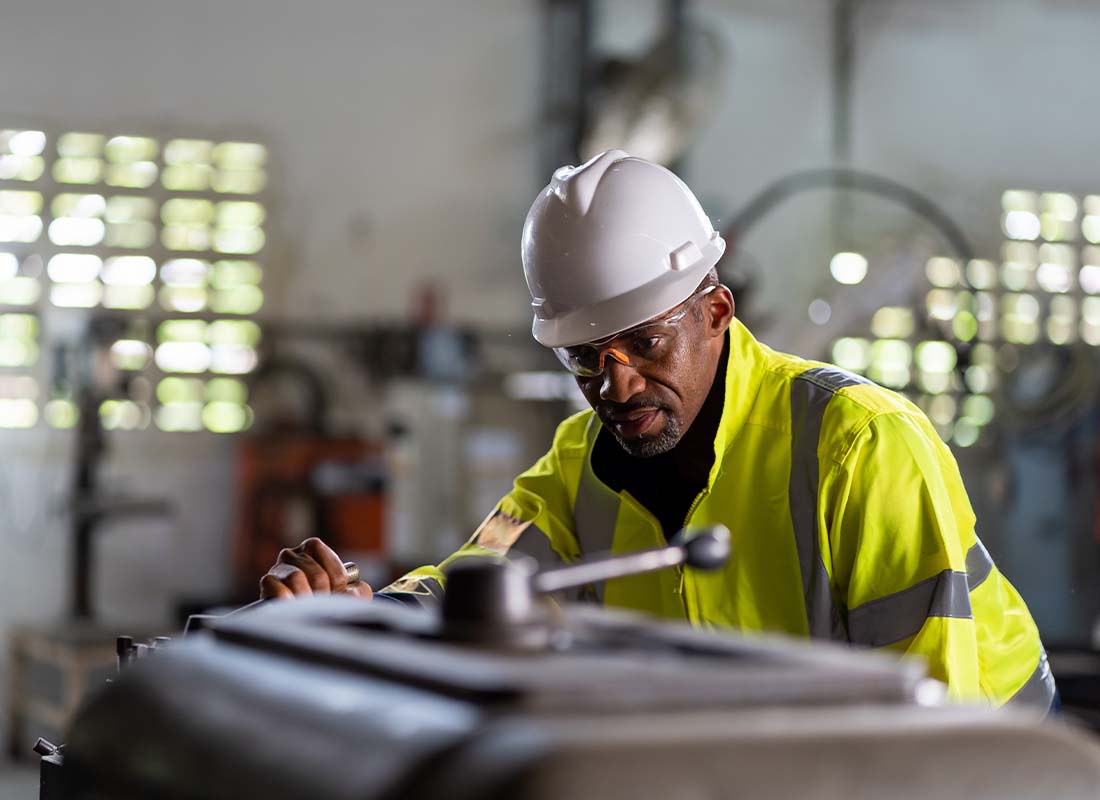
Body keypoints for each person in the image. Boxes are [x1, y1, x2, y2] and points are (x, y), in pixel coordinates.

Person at [262, 149, 1054, 711]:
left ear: (716, 312)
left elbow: (931, 712)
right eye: (584, 357)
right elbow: (479, 577)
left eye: (644, 343)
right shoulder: (578, 467)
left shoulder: (860, 445)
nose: (615, 383)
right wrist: (358, 610)